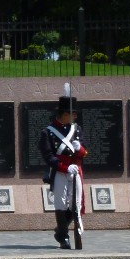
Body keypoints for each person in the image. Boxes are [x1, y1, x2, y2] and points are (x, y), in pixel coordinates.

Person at [38, 93, 88, 249]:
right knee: (60, 203)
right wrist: (64, 167)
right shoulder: (47, 132)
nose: (74, 117)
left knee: (77, 203)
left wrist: (80, 150)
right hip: (60, 171)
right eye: (73, 114)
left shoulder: (76, 129)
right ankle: (63, 237)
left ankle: (61, 230)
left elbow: (85, 151)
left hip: (75, 171)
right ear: (65, 114)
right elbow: (48, 156)